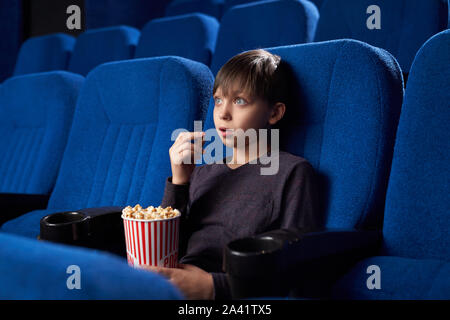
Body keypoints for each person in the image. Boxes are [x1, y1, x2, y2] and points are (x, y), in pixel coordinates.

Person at [142, 49, 320, 299]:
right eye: (218, 100)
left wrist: (213, 287)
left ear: (274, 113)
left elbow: (296, 261)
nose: (222, 114)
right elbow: (165, 247)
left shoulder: (292, 172)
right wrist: (180, 181)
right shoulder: (203, 173)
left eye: (239, 101)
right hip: (167, 283)